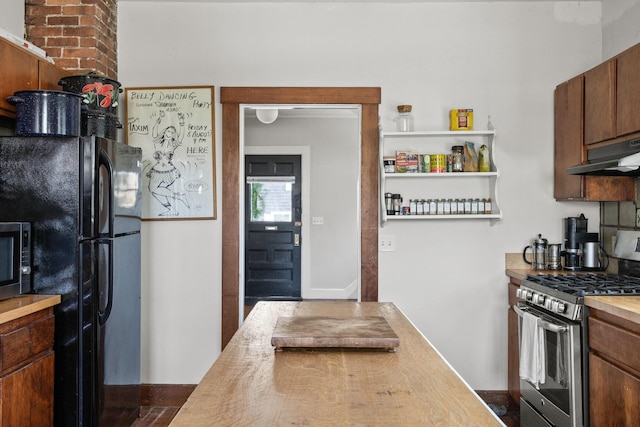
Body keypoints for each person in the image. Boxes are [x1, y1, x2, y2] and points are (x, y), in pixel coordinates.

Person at [146, 111, 190, 215]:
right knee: (153, 189)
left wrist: (182, 123)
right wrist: (158, 120)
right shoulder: (158, 142)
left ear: (174, 135)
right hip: (157, 170)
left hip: (169, 171)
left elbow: (182, 135)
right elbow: (154, 131)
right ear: (165, 131)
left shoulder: (173, 145)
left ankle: (175, 204)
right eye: (168, 131)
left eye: (172, 132)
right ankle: (175, 203)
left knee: (154, 189)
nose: (169, 134)